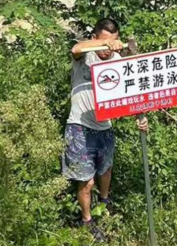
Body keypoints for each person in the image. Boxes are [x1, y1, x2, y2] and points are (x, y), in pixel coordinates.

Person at [63, 18, 148, 242]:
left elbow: (133, 91)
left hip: (105, 127)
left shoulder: (118, 61)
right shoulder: (85, 56)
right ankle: (87, 221)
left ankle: (105, 203)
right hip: (80, 126)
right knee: (86, 180)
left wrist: (141, 117)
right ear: (95, 38)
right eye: (104, 42)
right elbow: (76, 49)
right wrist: (102, 45)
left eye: (113, 41)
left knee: (105, 171)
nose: (108, 49)